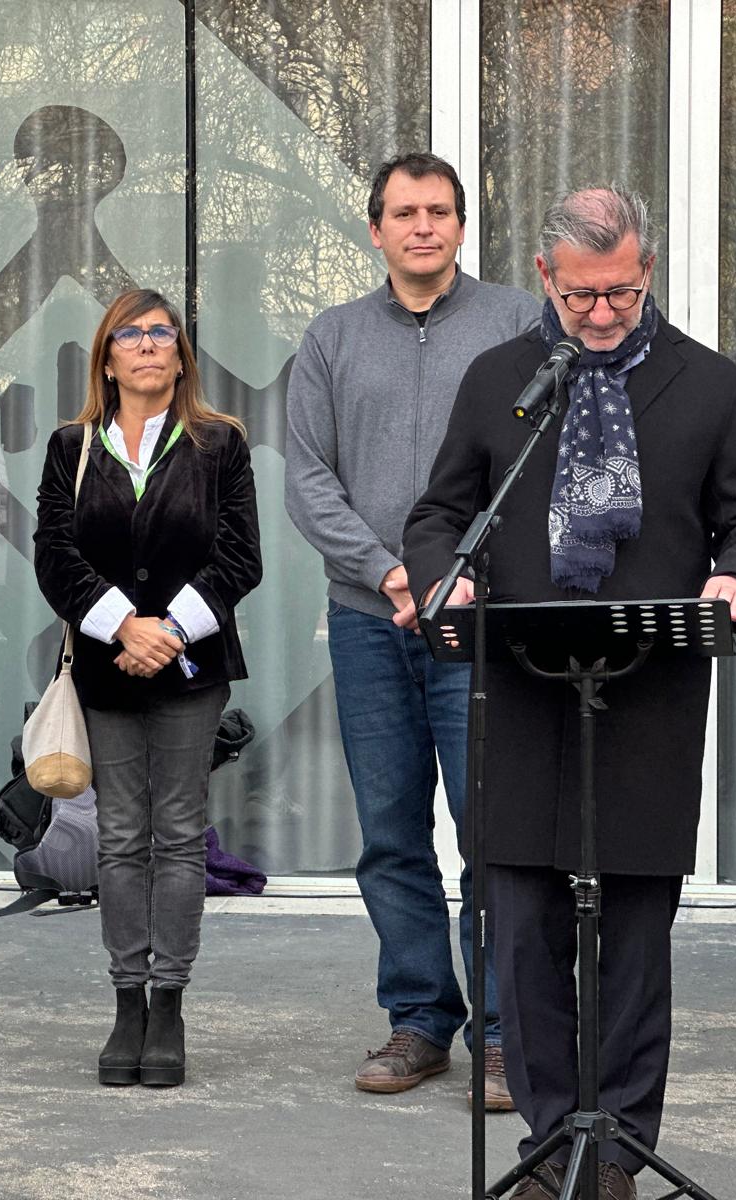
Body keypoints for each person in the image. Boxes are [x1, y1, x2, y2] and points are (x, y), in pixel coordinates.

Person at [402, 185, 736, 1199]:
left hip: (648, 696)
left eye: (619, 293)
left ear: (646, 274)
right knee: (521, 925)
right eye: (581, 297)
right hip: (522, 697)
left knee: (628, 933)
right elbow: (441, 514)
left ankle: (615, 1146)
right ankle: (543, 1143)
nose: (603, 313)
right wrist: (454, 571)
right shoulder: (500, 382)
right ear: (546, 278)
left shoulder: (705, 385)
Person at [285, 151, 537, 1108]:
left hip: (479, 627)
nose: (422, 227)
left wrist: (458, 578)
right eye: (404, 213)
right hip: (368, 620)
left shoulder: (518, 321)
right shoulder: (333, 336)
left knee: (493, 833)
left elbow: (539, 464)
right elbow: (308, 477)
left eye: (439, 212)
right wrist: (393, 572)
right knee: (390, 832)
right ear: (376, 229)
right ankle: (420, 1023)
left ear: (462, 228)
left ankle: (510, 1034)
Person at [34, 288, 261, 1089]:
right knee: (121, 837)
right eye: (131, 334)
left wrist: (165, 633)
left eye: (162, 333)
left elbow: (240, 558)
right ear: (107, 356)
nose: (148, 345)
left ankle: (170, 1004)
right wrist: (121, 627)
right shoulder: (73, 446)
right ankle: (126, 1000)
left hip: (191, 669)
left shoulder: (219, 443)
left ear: (179, 353)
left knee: (178, 834)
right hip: (106, 669)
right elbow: (53, 556)